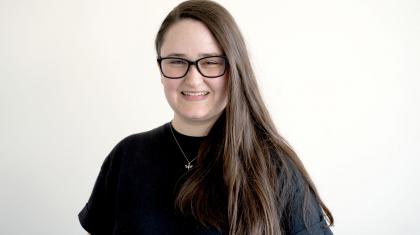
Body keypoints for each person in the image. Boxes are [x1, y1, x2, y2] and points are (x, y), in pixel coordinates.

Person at [78, 0, 334, 234]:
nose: (193, 78)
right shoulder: (126, 157)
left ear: (234, 70)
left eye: (210, 62)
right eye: (177, 61)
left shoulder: (277, 168)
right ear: (160, 68)